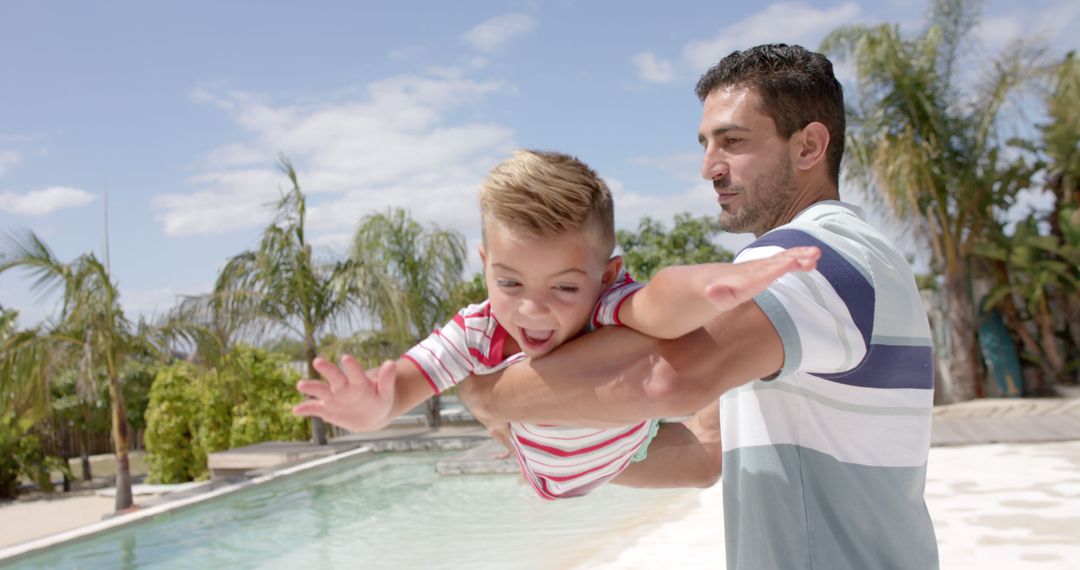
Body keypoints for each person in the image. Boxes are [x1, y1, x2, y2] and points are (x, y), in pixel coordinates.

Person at [457, 44, 940, 569]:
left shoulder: (812, 259)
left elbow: (661, 377)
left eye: (733, 142)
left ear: (808, 147)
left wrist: (487, 395)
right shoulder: (846, 263)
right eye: (706, 143)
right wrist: (553, 443)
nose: (709, 166)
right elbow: (702, 451)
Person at [293, 148, 819, 500]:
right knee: (492, 400)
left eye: (564, 287)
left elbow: (660, 300)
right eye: (510, 283)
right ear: (484, 266)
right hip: (544, 468)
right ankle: (506, 428)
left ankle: (726, 391)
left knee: (706, 465)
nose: (531, 310)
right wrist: (374, 408)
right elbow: (406, 383)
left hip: (627, 450)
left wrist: (722, 285)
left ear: (605, 274)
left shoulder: (607, 301)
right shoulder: (477, 330)